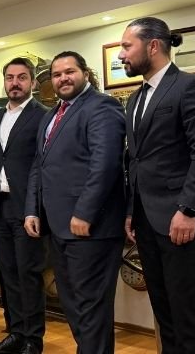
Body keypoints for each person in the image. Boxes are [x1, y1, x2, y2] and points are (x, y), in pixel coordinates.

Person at [121, 17, 195, 354]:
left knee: (186, 313)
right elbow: (136, 160)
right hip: (147, 219)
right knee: (164, 312)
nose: (122, 55)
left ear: (153, 46)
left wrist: (188, 209)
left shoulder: (191, 86)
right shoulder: (135, 98)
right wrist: (132, 211)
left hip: (182, 218)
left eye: (127, 46)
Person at [25, 52, 126, 354]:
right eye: (56, 74)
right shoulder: (51, 115)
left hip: (90, 228)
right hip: (58, 226)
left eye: (69, 72)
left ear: (86, 73)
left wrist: (85, 212)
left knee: (91, 307)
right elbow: (39, 165)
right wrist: (32, 209)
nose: (62, 78)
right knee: (73, 304)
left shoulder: (102, 106)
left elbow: (105, 164)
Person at [0, 58, 48, 354]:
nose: (15, 83)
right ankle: (16, 332)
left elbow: (42, 165)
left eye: (21, 77)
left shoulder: (42, 116)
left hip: (27, 208)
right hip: (0, 206)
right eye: (10, 77)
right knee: (7, 273)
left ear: (32, 82)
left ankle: (33, 339)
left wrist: (34, 207)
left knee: (28, 274)